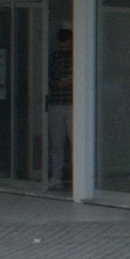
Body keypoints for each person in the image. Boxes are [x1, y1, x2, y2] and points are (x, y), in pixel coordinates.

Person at [46, 27, 74, 190]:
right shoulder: (53, 58)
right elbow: (49, 79)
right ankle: (56, 177)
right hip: (56, 103)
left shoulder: (78, 56)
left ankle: (79, 178)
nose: (65, 49)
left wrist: (66, 81)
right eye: (62, 46)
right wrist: (63, 82)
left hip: (73, 104)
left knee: (75, 141)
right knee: (57, 143)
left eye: (68, 45)